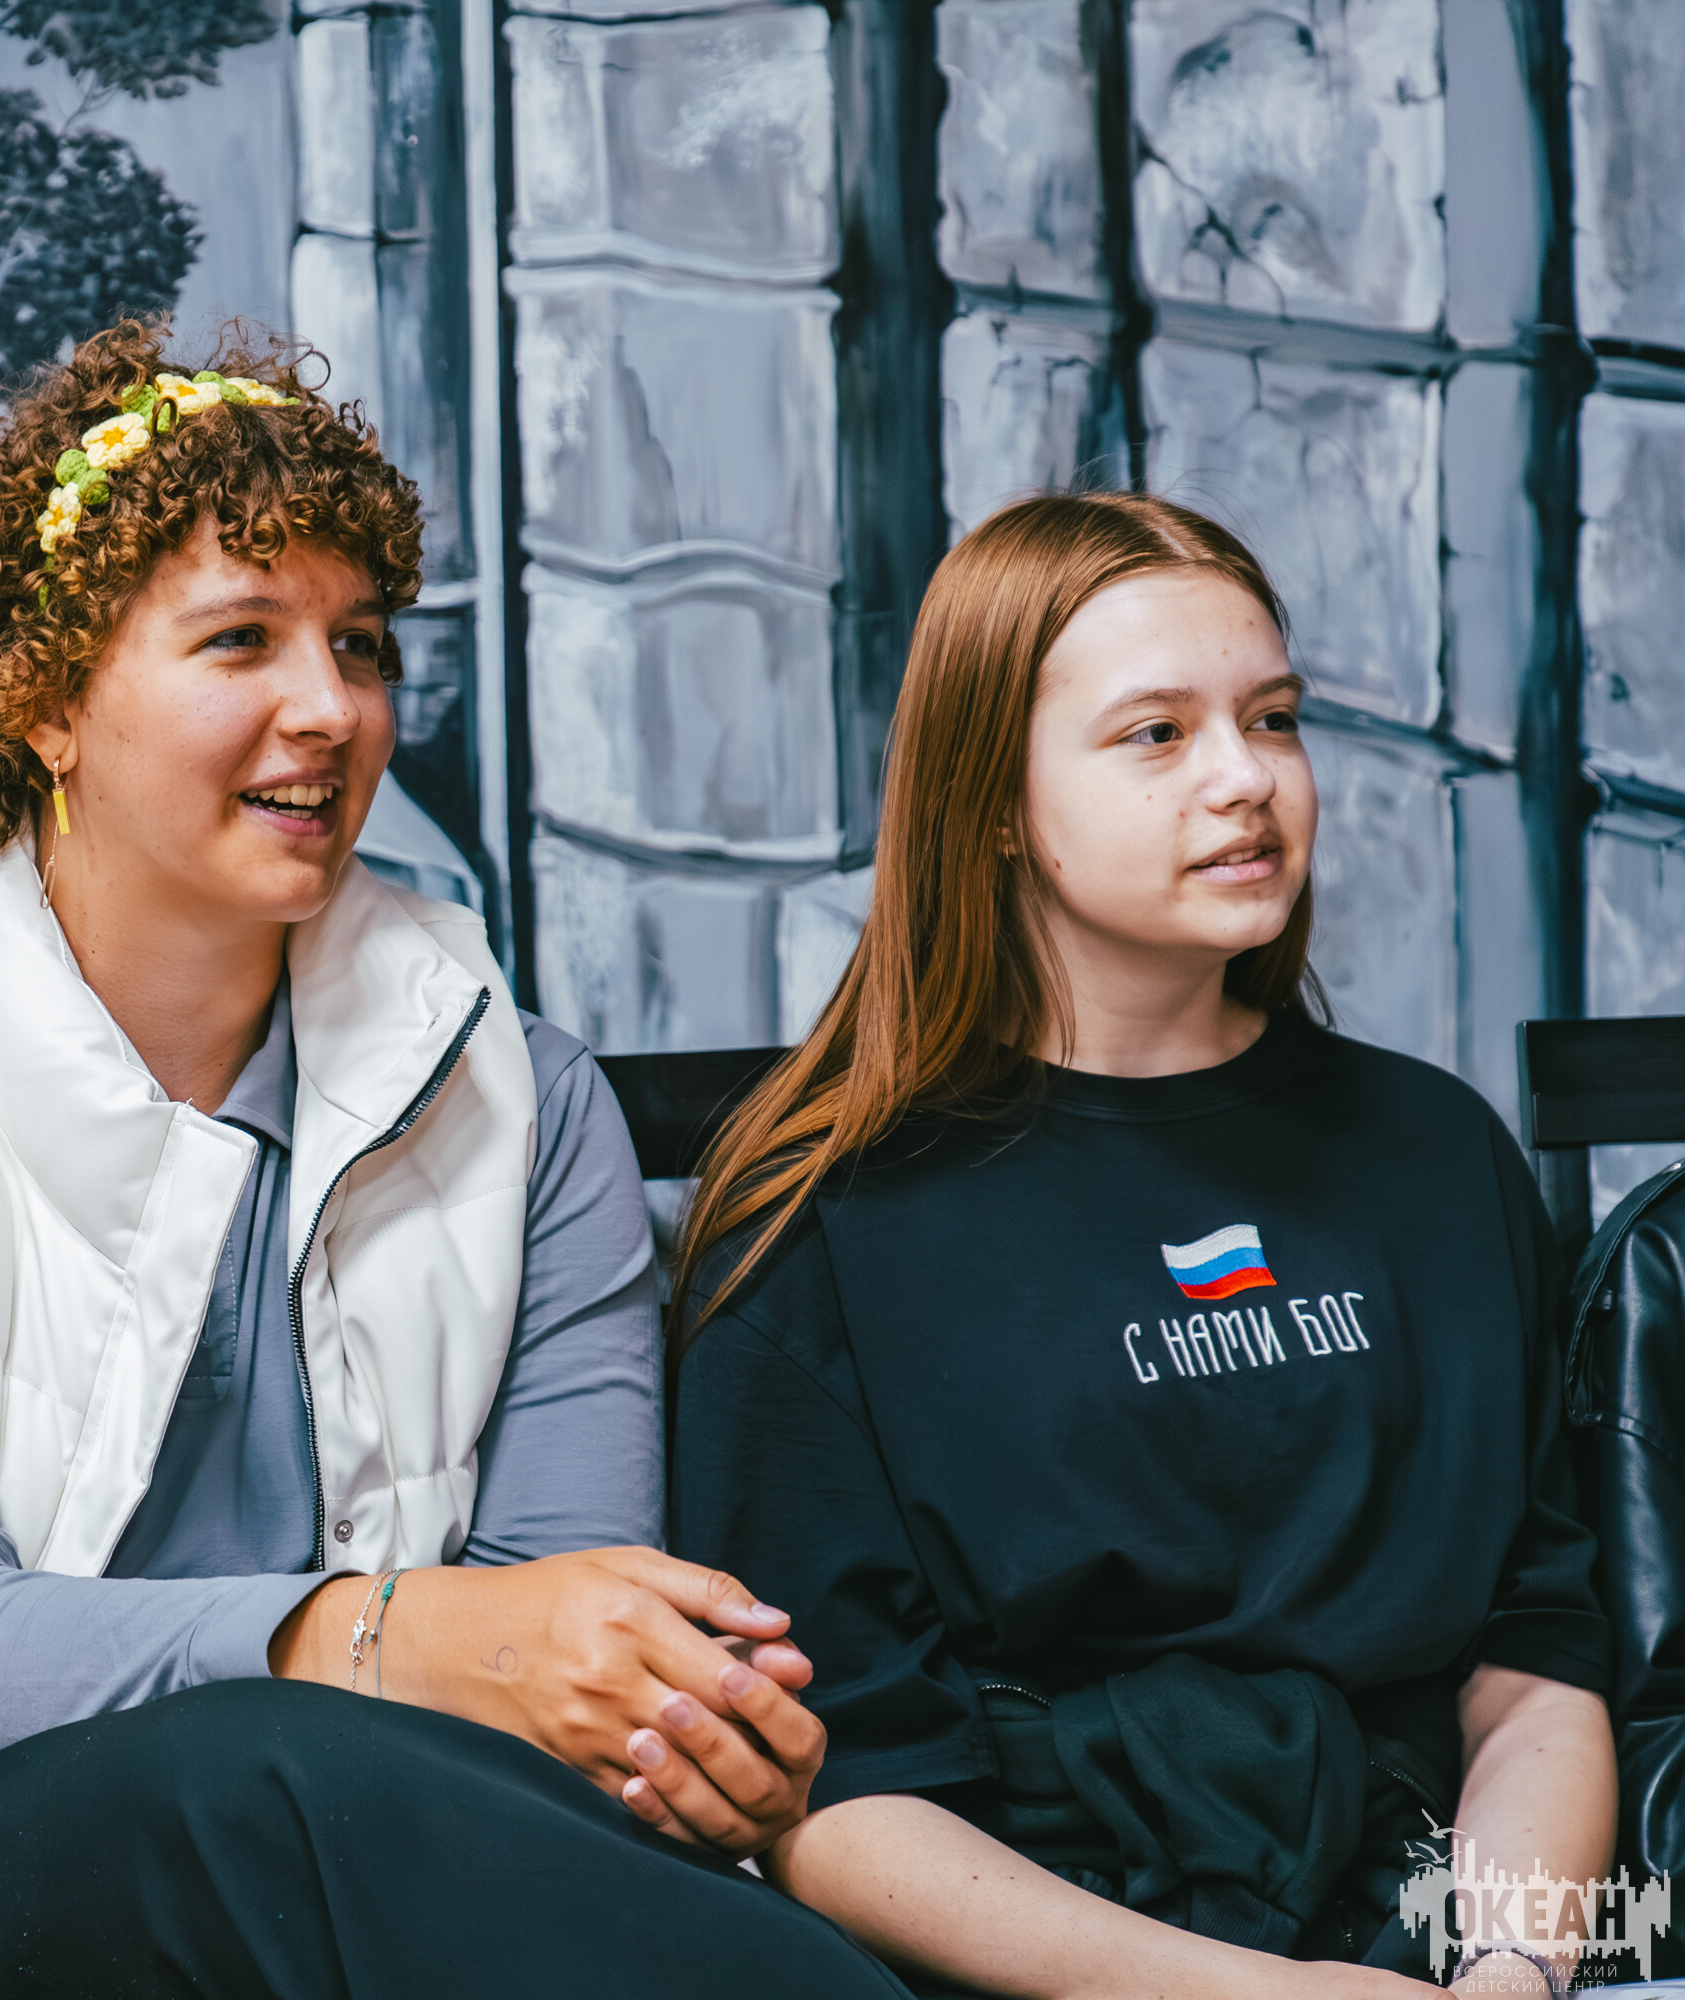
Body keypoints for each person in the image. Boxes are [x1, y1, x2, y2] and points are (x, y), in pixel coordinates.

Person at [0, 321, 905, 2000]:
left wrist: (671, 1727)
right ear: (46, 702)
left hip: (373, 1907)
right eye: (241, 639)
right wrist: (384, 1633)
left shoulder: (525, 1104)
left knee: (337, 1791)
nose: (332, 708)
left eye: (360, 645)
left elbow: (560, 1665)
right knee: (253, 1767)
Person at [667, 493, 1616, 1998]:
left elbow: (1533, 1666)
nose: (1247, 779)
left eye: (1274, 718)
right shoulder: (814, 1220)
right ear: (992, 799)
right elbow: (833, 1793)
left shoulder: (1439, 1153)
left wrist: (1509, 1971)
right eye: (1157, 734)